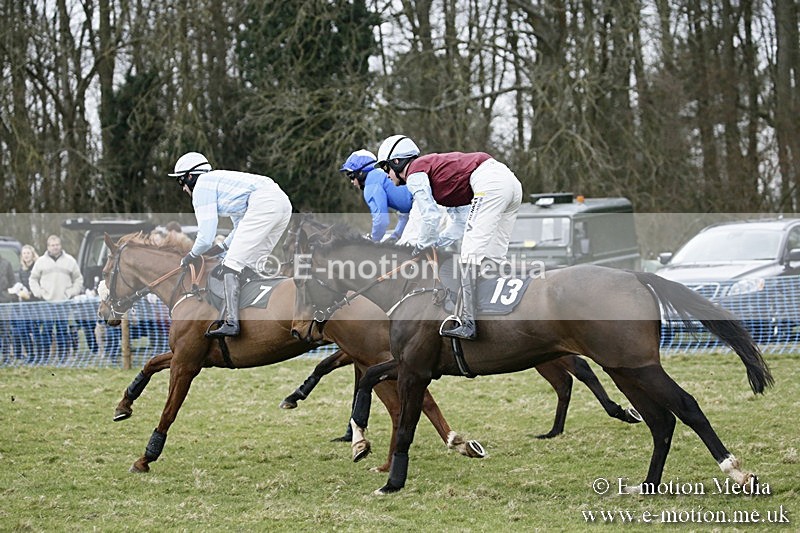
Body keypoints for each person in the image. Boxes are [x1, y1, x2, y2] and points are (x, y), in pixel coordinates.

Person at [376, 135, 523, 340]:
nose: (387, 176)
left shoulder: (415, 173)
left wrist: (421, 246)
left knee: (470, 255)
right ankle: (500, 315)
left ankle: (468, 322)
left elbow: (430, 216)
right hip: (510, 182)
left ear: (397, 162)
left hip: (490, 182)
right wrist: (435, 243)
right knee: (493, 257)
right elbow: (460, 224)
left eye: (386, 169)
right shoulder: (442, 178)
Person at [168, 151, 292, 337]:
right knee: (250, 266)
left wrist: (191, 256)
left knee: (231, 266)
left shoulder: (202, 186)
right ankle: (260, 315)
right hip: (282, 202)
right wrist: (223, 247)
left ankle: (231, 321)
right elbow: (239, 227)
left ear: (190, 177)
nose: (183, 188)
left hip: (265, 202)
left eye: (181, 182)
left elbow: (205, 237)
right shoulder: (225, 186)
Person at [28, 235, 84, 362]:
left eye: (57, 244)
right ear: (48, 247)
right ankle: (45, 357)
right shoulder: (41, 261)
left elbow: (78, 279)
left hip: (63, 302)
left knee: (62, 330)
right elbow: (33, 279)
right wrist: (39, 292)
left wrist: (71, 292)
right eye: (52, 245)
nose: (55, 247)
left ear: (60, 245)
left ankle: (63, 357)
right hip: (47, 302)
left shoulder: (70, 261)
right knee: (46, 331)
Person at [340, 149, 412, 243]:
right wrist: (396, 235)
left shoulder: (370, 184)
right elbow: (406, 213)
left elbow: (381, 221)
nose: (351, 181)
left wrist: (372, 241)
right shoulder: (380, 175)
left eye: (351, 175)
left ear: (360, 173)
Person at [10, 245, 43, 363]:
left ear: (32, 254)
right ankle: (30, 354)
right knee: (23, 329)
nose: (26, 255)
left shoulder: (38, 267)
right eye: (24, 253)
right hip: (25, 304)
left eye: (28, 253)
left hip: (37, 304)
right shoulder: (21, 269)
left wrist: (31, 294)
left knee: (36, 331)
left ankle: (40, 355)